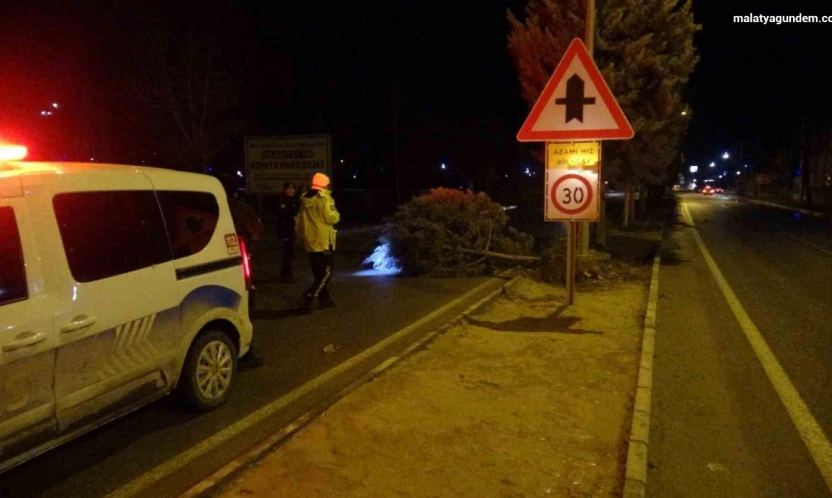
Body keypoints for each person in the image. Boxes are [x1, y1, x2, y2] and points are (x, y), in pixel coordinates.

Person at [296, 172, 340, 313]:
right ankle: (309, 296)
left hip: (311, 241)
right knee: (326, 272)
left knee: (317, 271)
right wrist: (337, 214)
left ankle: (324, 298)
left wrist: (301, 236)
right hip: (324, 241)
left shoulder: (305, 200)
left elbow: (299, 221)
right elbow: (331, 218)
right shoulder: (325, 199)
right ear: (325, 184)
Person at [275, 181, 300, 283]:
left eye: (293, 188)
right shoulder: (281, 199)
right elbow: (282, 214)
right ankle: (285, 275)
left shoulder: (295, 199)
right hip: (284, 230)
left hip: (292, 229)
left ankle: (287, 273)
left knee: (291, 252)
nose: (291, 190)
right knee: (288, 252)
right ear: (285, 189)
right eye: (289, 188)